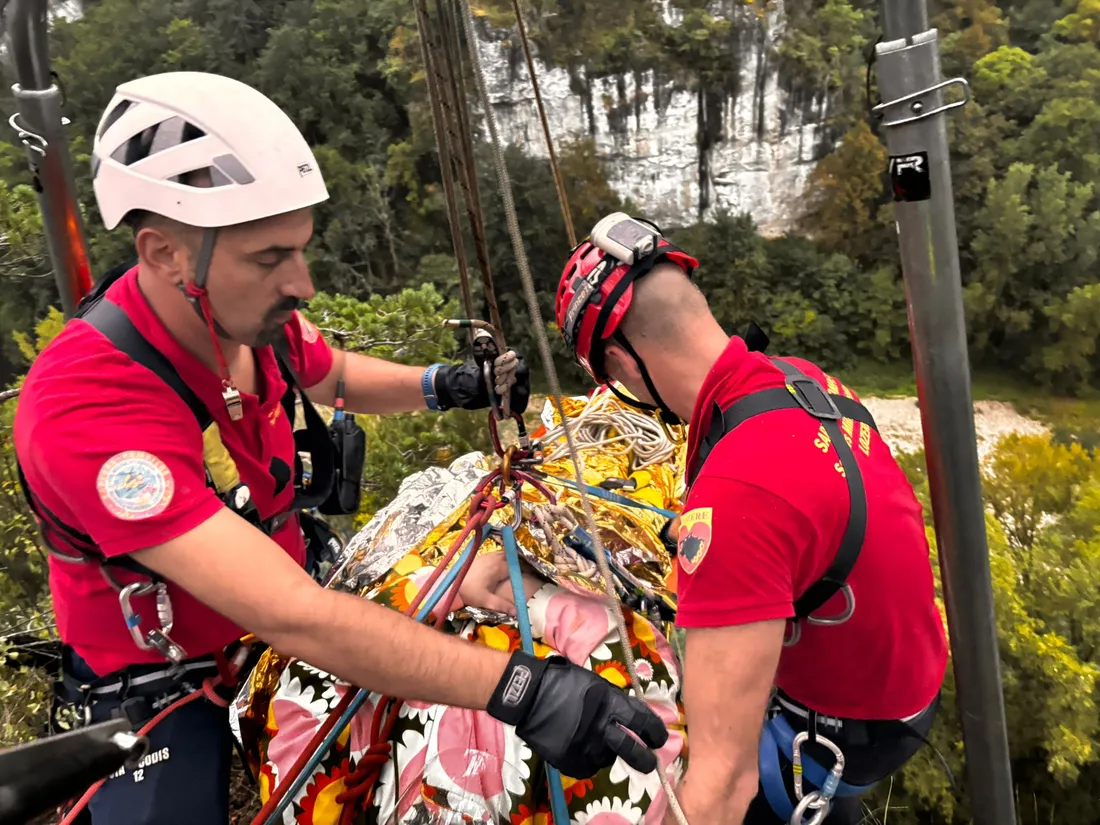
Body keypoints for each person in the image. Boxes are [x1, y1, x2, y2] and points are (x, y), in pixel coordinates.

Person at [13, 76, 666, 825]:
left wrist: (449, 384)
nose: (303, 282)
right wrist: (524, 688)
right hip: (164, 678)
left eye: (300, 249)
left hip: (280, 602)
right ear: (164, 253)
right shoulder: (89, 403)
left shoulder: (242, 316)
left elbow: (334, 375)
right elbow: (297, 616)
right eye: (269, 258)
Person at [555, 213, 949, 825]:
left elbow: (722, 787)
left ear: (623, 364)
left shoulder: (735, 494)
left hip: (836, 737)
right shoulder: (802, 379)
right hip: (902, 691)